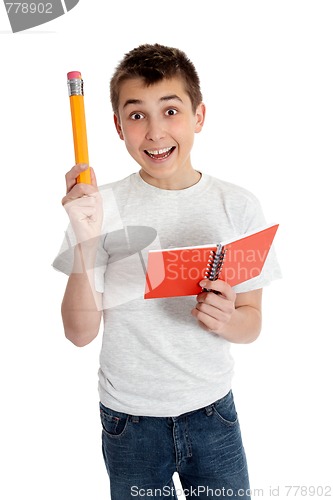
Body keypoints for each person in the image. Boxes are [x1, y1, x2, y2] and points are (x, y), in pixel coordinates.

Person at [53, 43, 281, 499]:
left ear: (199, 116)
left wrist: (229, 319)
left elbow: (252, 323)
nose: (155, 132)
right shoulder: (101, 207)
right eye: (137, 115)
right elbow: (78, 335)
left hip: (213, 415)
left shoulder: (236, 206)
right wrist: (85, 239)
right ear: (118, 127)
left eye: (171, 110)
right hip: (129, 423)